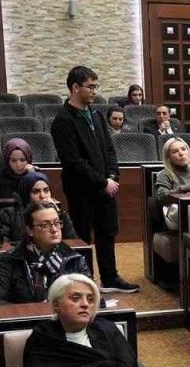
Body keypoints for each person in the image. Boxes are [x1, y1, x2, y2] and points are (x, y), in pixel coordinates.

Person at [50, 65, 136, 293]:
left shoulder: (96, 114)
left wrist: (112, 176)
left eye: (96, 87)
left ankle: (110, 278)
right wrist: (102, 182)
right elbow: (73, 161)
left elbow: (109, 149)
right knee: (82, 236)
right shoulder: (62, 120)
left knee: (107, 233)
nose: (94, 91)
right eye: (90, 87)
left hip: (105, 186)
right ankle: (85, 281)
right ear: (75, 87)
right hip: (81, 189)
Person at [23, 274, 139, 367]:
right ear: (56, 305)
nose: (85, 304)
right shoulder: (43, 337)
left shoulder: (107, 330)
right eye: (75, 298)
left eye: (90, 299)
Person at [0, 202, 90, 305]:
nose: (54, 229)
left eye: (57, 223)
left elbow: (90, 295)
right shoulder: (9, 261)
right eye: (45, 225)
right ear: (30, 230)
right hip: (26, 316)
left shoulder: (75, 259)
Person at [0, 171, 78, 248]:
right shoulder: (7, 214)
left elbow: (73, 243)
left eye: (46, 190)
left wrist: (59, 214)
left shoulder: (58, 214)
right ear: (26, 193)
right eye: (36, 191)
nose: (43, 196)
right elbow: (2, 246)